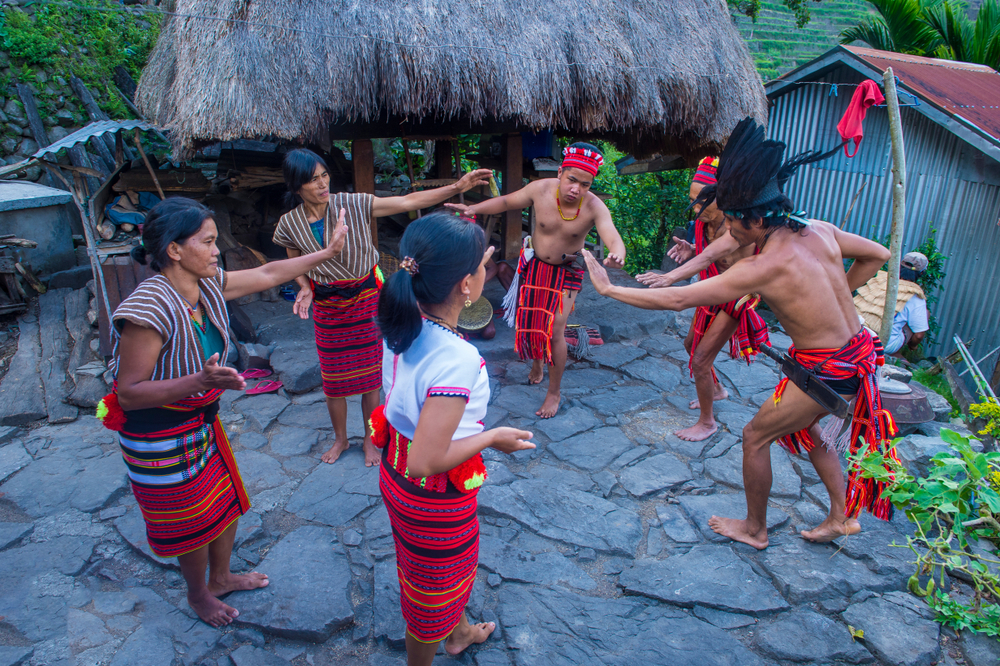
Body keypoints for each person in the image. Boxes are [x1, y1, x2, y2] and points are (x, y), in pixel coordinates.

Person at [583, 117, 898, 550]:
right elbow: (878, 254)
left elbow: (679, 300)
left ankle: (755, 529)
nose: (728, 231)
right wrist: (839, 293)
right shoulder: (820, 230)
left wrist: (607, 288)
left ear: (754, 219)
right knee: (812, 433)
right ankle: (840, 518)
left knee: (755, 436)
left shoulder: (762, 267)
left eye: (732, 222)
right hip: (854, 351)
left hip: (827, 370)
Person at [104, 197, 352, 626]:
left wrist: (328, 253)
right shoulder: (147, 311)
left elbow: (268, 272)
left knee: (224, 502)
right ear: (175, 250)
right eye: (208, 241)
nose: (217, 250)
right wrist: (199, 383)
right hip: (158, 437)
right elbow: (129, 393)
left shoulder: (205, 286)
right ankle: (199, 594)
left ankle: (220, 576)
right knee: (192, 521)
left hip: (200, 421)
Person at [371, 212, 534, 665]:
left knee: (431, 571)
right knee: (431, 598)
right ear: (465, 284)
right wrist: (493, 438)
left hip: (395, 473)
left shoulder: (402, 322)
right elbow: (428, 460)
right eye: (481, 267)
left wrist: (468, 266)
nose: (487, 269)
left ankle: (458, 631)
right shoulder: (458, 359)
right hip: (432, 494)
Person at [274, 149, 491, 466]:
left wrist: (457, 187)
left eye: (324, 175)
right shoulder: (289, 224)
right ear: (297, 187)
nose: (322, 184)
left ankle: (369, 441)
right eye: (312, 180)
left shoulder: (353, 204)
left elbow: (407, 202)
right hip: (328, 305)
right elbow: (294, 263)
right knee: (333, 380)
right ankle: (340, 439)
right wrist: (305, 287)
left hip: (365, 297)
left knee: (370, 378)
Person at [446, 143, 627, 418]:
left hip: (567, 271)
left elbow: (612, 235)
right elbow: (507, 201)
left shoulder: (594, 207)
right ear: (561, 172)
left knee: (555, 329)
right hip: (534, 265)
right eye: (572, 180)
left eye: (585, 184)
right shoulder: (540, 189)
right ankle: (537, 364)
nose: (576, 189)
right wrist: (474, 209)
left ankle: (554, 392)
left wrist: (618, 253)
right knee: (531, 322)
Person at [636, 157, 768, 442]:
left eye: (702, 201)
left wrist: (669, 278)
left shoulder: (740, 228)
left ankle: (707, 423)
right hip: (713, 287)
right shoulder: (704, 225)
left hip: (738, 296)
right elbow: (710, 255)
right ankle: (717, 390)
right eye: (693, 199)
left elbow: (717, 256)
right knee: (689, 344)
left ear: (723, 198)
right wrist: (693, 249)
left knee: (700, 359)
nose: (695, 207)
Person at [854, 251, 929, 355]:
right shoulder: (915, 296)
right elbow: (919, 335)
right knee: (924, 315)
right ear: (921, 273)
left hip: (853, 334)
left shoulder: (880, 280)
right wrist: (913, 345)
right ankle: (893, 355)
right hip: (879, 344)